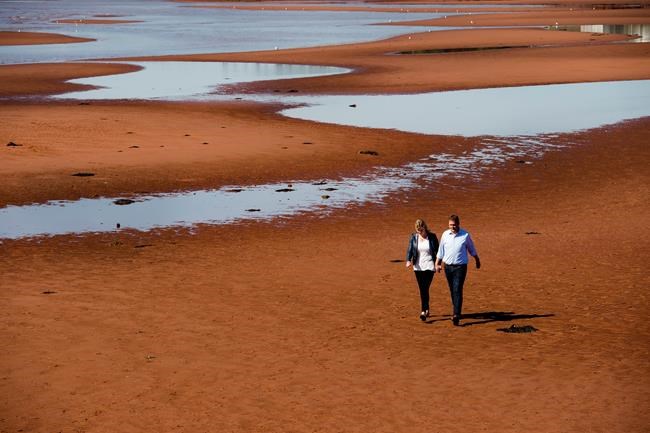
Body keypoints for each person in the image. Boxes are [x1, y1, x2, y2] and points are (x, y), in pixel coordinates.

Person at [435, 214, 480, 327]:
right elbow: (441, 250)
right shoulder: (445, 235)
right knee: (452, 290)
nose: (452, 227)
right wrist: (437, 263)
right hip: (448, 267)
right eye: (450, 225)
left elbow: (471, 248)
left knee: (457, 289)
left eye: (454, 225)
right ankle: (456, 310)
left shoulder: (465, 235)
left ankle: (456, 315)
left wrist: (477, 259)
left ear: (458, 224)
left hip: (460, 267)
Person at [406, 219, 439, 322]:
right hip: (418, 267)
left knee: (425, 287)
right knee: (422, 289)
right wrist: (408, 260)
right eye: (417, 230)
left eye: (421, 230)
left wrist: (438, 263)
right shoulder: (414, 237)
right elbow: (410, 249)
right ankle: (425, 310)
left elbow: (437, 251)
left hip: (430, 265)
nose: (419, 232)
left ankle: (424, 310)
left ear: (425, 227)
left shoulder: (432, 237)